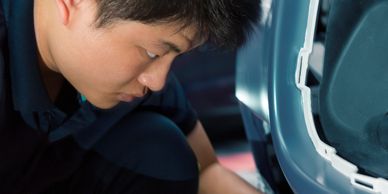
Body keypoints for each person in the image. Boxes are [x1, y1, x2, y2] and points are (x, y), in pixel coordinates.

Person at [0, 0, 263, 193]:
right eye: (152, 53)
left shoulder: (133, 84)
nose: (157, 82)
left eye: (177, 56)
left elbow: (207, 171)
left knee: (161, 150)